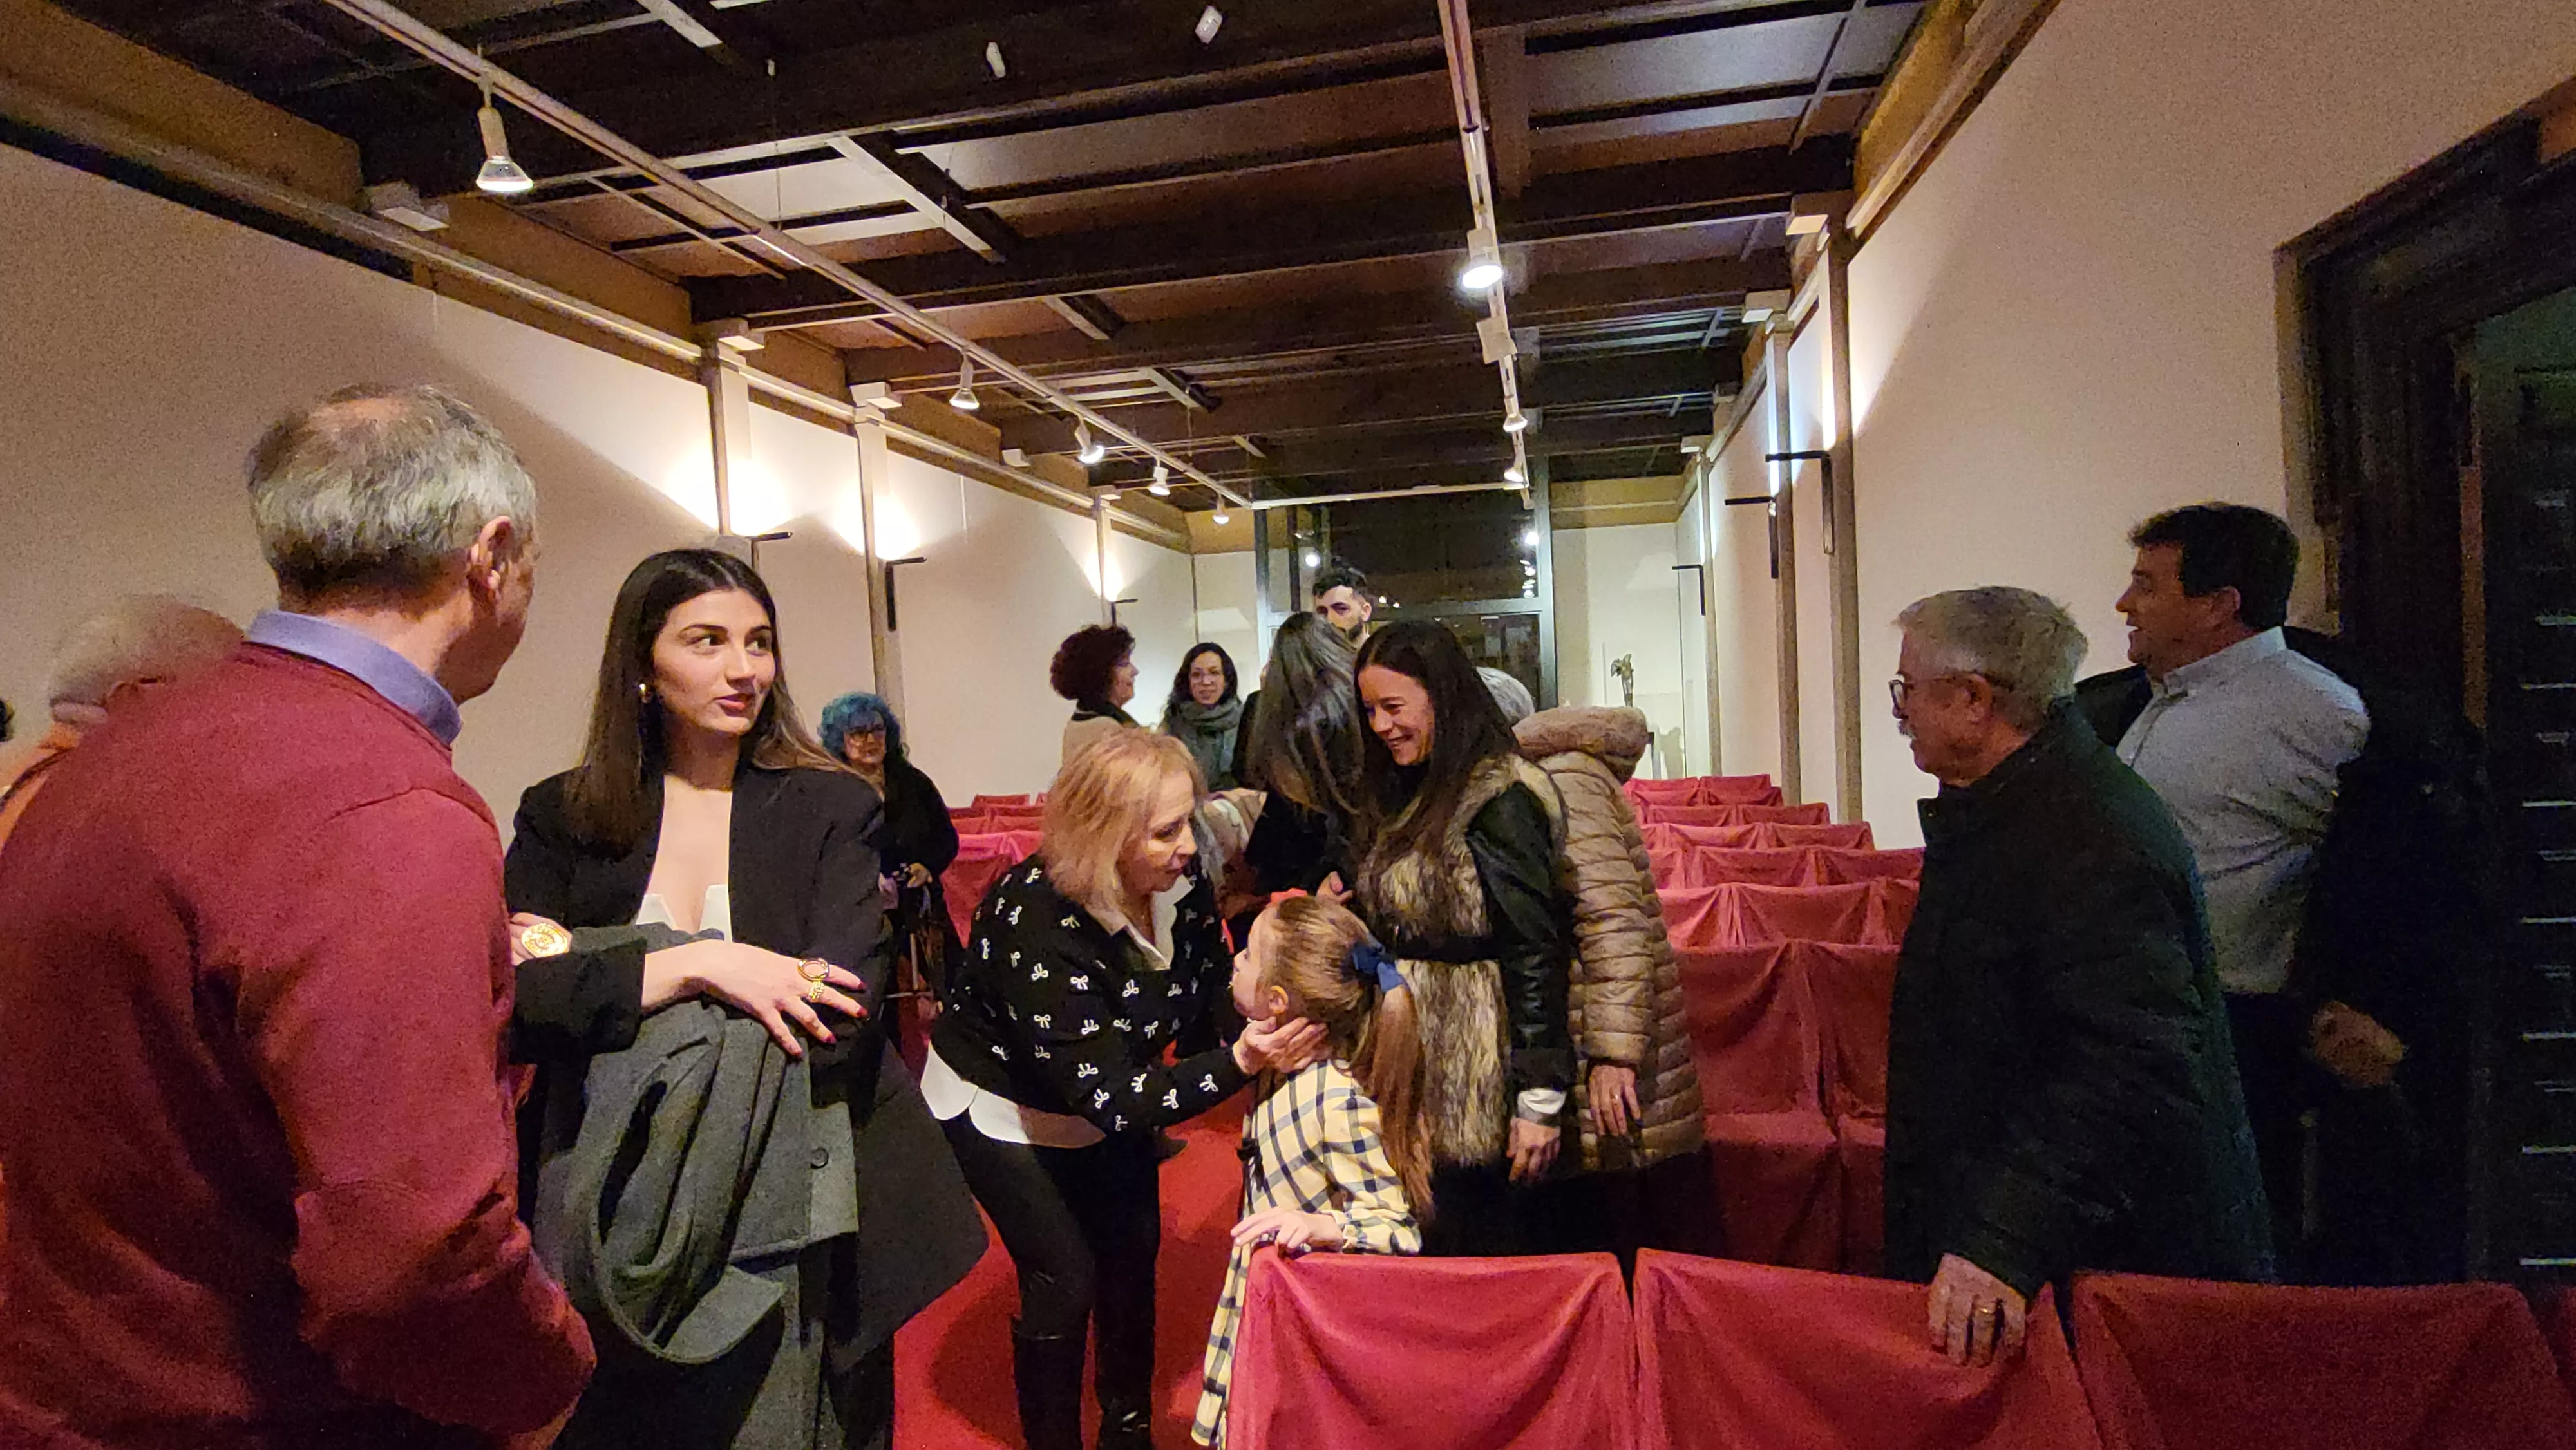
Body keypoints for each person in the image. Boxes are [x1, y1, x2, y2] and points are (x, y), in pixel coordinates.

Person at [0, 384, 594, 1445]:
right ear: (493, 555)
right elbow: (414, 1250)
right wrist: (540, 1384)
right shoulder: (382, 806)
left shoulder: (115, 754)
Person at [505, 549, 980, 1449]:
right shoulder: (563, 815)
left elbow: (836, 1017)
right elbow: (522, 1003)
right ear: (642, 662)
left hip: (804, 1181)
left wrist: (605, 973)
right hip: (612, 1189)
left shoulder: (828, 807)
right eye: (707, 641)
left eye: (758, 642)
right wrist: (706, 966)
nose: (743, 668)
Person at [1885, 587, 2271, 1369]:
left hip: (2098, 1263)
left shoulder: (2087, 835)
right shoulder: (2011, 805)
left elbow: (2127, 1069)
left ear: (1972, 700)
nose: (1900, 712)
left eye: (1908, 689)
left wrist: (2001, 1237)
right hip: (2039, 1223)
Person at [927, 728, 1324, 1450]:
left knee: (1133, 1254)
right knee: (1065, 1274)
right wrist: (1241, 1060)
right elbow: (1112, 1099)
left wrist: (1274, 1017)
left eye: (1189, 821)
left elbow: (1206, 992)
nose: (1188, 846)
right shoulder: (1034, 917)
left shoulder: (1180, 884)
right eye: (1166, 831)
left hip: (1114, 1085)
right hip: (1003, 1106)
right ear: (1103, 833)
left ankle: (1127, 1429)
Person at [2109, 504, 2371, 1269]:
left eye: (2147, 585)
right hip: (2148, 1013)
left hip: (2234, 1028)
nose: (2124, 603)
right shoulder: (2156, 695)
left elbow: (2372, 866)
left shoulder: (2310, 711)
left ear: (2218, 604)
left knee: (2218, 1253)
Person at [1350, 621, 1573, 1256]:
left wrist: (1539, 1100)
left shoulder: (1499, 796)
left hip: (1477, 1064)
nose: (1381, 725)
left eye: (1394, 706)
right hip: (1412, 1052)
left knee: (1478, 1246)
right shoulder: (1412, 786)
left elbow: (1535, 952)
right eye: (1370, 710)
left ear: (1442, 697)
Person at [1191, 894, 1426, 1449]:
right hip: (1267, 1291)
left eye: (1247, 955)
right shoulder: (1280, 1066)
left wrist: (1324, 1226)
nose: (1236, 962)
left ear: (1277, 1000)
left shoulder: (1338, 1100)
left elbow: (1398, 1227)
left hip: (1305, 1315)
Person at [1513, 704, 1709, 1265]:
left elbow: (1613, 922)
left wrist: (1613, 1054)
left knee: (1623, 1241)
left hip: (1604, 1061)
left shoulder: (1565, 780)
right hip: (1587, 1045)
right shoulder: (1554, 773)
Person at [0, 594, 240, 852]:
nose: (250, 713)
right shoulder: (138, 808)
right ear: (140, 695)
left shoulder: (16, 775)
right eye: (236, 689)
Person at [823, 690, 963, 996]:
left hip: (918, 902)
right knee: (875, 992)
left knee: (956, 984)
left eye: (877, 730)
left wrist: (927, 866)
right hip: (859, 909)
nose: (870, 740)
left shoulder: (913, 782)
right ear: (840, 741)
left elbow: (946, 838)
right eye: (858, 733)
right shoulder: (831, 790)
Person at [1235, 613, 1368, 931]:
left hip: (1297, 864)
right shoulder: (1358, 708)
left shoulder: (1273, 718)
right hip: (1349, 859)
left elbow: (1248, 774)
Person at [1053, 622, 1139, 765]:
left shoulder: (1084, 719)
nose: (1135, 671)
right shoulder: (1106, 730)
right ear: (1101, 675)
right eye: (1124, 664)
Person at [1162, 642, 1245, 791]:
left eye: (1214, 673)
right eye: (1197, 675)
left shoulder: (1246, 720)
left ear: (1227, 680)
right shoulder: (1172, 724)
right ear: (1187, 681)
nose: (1206, 682)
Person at [1312, 561, 1376, 644]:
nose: (1329, 619)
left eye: (1341, 609)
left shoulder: (1384, 651)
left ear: (1365, 611)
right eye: (1322, 612)